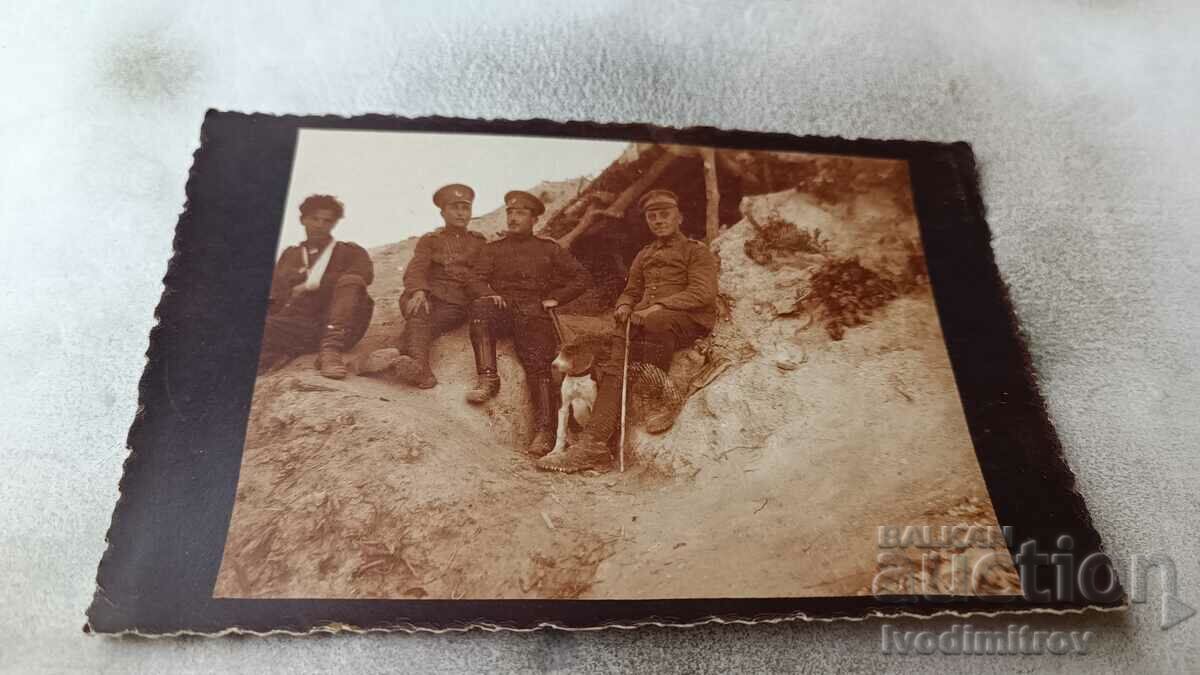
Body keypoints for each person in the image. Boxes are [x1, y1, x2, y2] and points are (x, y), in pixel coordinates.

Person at [537, 188, 719, 473]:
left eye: (665, 214)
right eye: (652, 216)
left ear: (679, 217)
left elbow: (702, 293)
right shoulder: (644, 255)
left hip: (684, 320)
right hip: (645, 320)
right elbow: (631, 290)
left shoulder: (696, 251)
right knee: (614, 363)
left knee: (658, 324)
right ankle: (593, 446)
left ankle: (663, 400)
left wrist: (656, 307)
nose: (658, 221)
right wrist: (623, 306)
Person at [464, 190, 591, 457]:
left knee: (539, 364)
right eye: (510, 212)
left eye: (520, 213)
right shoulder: (492, 249)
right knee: (479, 309)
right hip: (503, 307)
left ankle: (545, 431)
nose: (513, 217)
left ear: (533, 218)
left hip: (534, 311)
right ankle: (488, 377)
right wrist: (488, 293)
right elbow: (474, 279)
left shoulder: (549, 249)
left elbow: (581, 277)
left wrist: (556, 298)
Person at [259, 194, 375, 380]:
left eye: (327, 221)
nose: (320, 225)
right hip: (300, 327)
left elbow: (365, 275)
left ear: (334, 224)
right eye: (314, 219)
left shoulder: (349, 251)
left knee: (352, 281)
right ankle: (279, 353)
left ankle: (330, 352)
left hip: (342, 328)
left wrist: (311, 285)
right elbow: (275, 295)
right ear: (303, 220)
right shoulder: (290, 256)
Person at [392, 184, 488, 388]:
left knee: (424, 323)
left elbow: (482, 274)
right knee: (418, 309)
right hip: (426, 293)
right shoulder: (430, 240)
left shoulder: (478, 242)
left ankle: (400, 353)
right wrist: (418, 291)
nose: (461, 213)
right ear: (443, 212)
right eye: (455, 208)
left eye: (466, 208)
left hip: (455, 301)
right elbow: (417, 268)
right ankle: (422, 370)